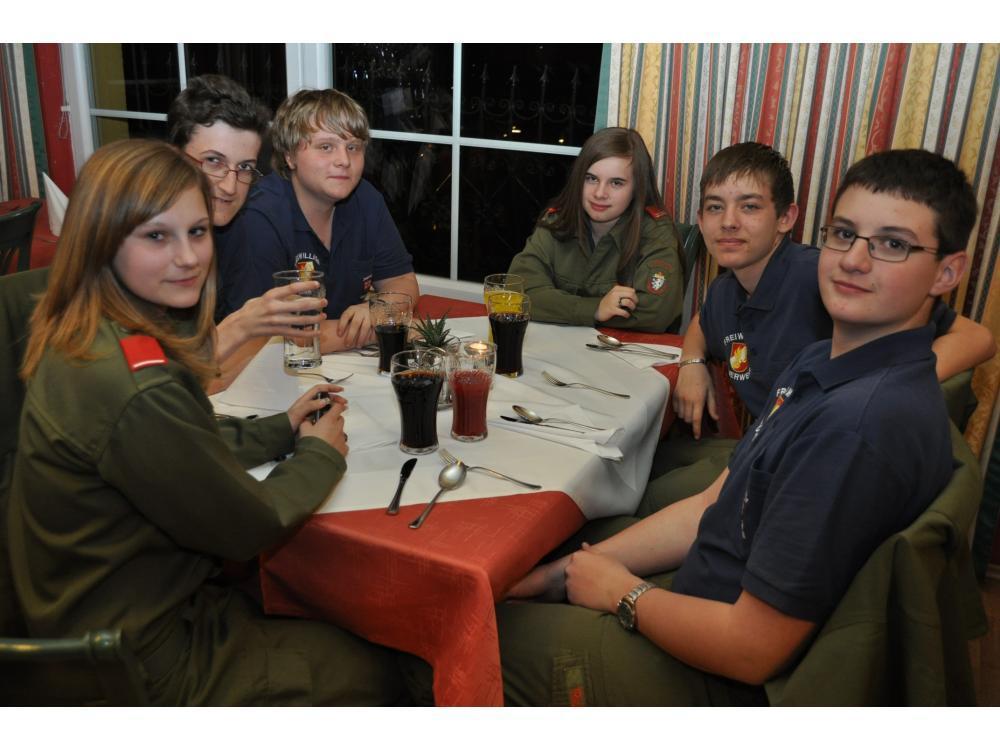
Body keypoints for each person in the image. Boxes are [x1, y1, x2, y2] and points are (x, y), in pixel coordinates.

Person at [491, 148, 978, 706]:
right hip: (702, 594)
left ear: (947, 272)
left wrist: (624, 593)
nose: (854, 261)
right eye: (844, 235)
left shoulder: (852, 428)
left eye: (893, 244)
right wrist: (563, 575)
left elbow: (752, 650)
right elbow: (712, 507)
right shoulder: (818, 364)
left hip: (714, 674)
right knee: (552, 554)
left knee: (463, 637)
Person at [6, 139, 404, 705]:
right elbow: (249, 525)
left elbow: (180, 441)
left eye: (196, 232)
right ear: (102, 240)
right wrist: (320, 454)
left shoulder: (87, 330)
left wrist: (280, 427)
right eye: (156, 237)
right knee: (377, 666)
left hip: (87, 616)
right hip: (139, 661)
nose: (189, 257)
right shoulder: (134, 382)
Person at [636, 142, 995, 516]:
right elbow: (704, 320)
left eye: (750, 206)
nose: (728, 221)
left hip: (809, 467)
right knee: (643, 461)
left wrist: (877, 388)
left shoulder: (825, 277)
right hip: (764, 446)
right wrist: (692, 363)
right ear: (700, 219)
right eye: (715, 207)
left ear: (786, 218)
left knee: (638, 498)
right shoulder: (726, 291)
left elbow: (977, 338)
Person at [221, 88, 419, 353]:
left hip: (336, 361)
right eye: (326, 147)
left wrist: (379, 308)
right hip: (255, 368)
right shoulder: (258, 218)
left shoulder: (365, 199)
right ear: (290, 156)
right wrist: (379, 329)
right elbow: (271, 337)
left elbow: (403, 281)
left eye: (353, 147)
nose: (344, 161)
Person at [167, 74, 329, 366]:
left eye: (244, 167)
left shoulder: (229, 231)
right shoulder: (145, 243)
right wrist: (241, 326)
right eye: (213, 161)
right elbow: (150, 379)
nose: (230, 187)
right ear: (174, 156)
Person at [507, 127, 684, 332]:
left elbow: (655, 313)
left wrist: (557, 307)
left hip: (627, 348)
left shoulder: (656, 232)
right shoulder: (558, 221)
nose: (600, 193)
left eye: (616, 183)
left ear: (637, 188)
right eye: (591, 178)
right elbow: (517, 293)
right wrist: (595, 309)